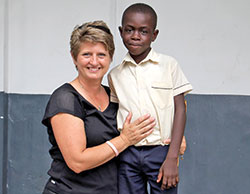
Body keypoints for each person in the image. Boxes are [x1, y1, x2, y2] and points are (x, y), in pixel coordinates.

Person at [41, 20, 156, 194]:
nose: (94, 62)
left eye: (101, 55)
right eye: (86, 54)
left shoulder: (115, 95)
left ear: (110, 57)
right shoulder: (66, 98)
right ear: (74, 57)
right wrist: (124, 140)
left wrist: (175, 139)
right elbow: (77, 162)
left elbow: (145, 124)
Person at [108, 3, 193, 194]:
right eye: (129, 30)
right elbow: (115, 111)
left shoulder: (169, 65)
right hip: (128, 152)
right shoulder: (115, 74)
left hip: (161, 152)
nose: (136, 36)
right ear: (121, 32)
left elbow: (180, 109)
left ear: (154, 35)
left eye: (143, 31)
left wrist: (172, 157)